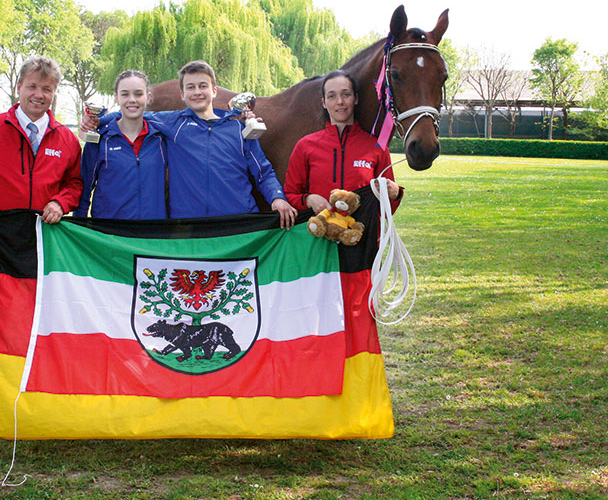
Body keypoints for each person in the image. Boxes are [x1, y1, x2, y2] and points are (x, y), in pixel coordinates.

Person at [0, 55, 83, 417]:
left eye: (47, 89)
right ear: (18, 87)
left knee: (40, 323)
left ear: (55, 94)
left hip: (45, 246)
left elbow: (75, 184)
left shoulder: (66, 139)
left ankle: (35, 402)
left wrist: (61, 201)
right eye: (33, 87)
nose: (39, 94)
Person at [84, 60, 296, 228]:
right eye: (190, 87)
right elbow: (132, 112)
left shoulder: (239, 128)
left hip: (239, 225)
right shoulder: (172, 123)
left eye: (203, 86)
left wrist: (277, 198)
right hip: (190, 228)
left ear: (214, 91)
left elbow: (263, 171)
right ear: (182, 94)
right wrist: (96, 121)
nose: (197, 92)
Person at [284, 69, 403, 354]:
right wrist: (308, 198)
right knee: (315, 321)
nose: (340, 102)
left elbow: (387, 206)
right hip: (316, 251)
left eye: (346, 94)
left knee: (358, 320)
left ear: (356, 99)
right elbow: (290, 195)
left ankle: (357, 377)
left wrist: (395, 193)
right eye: (332, 96)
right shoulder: (306, 146)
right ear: (323, 102)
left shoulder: (375, 147)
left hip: (359, 253)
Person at [76, 70, 167, 219]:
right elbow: (85, 188)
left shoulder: (161, 138)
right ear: (116, 98)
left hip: (152, 231)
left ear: (148, 97)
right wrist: (78, 225)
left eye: (138, 94)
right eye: (125, 94)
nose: (132, 99)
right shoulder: (100, 140)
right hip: (110, 233)